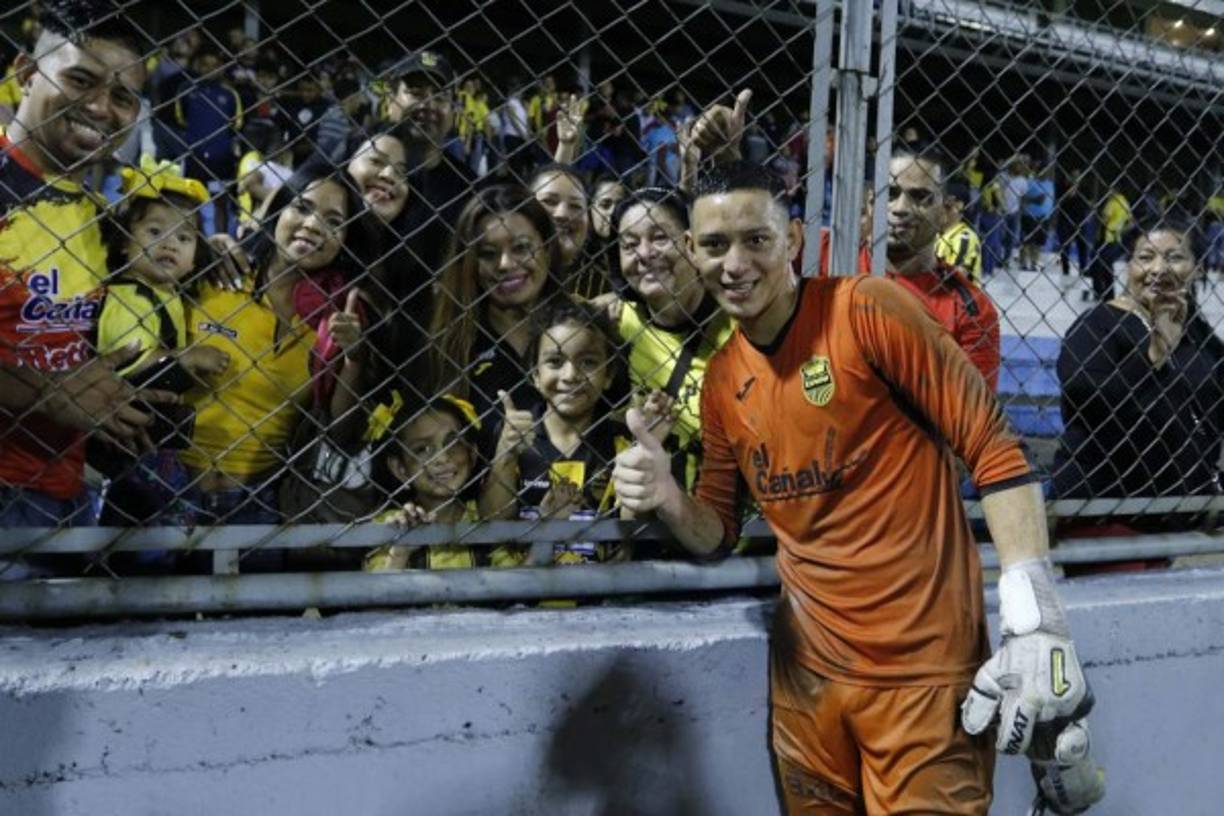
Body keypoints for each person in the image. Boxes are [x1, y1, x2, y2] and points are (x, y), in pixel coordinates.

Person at [612, 161, 1101, 815]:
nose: (735, 264)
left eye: (756, 240)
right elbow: (719, 531)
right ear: (691, 251)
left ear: (792, 239)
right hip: (807, 688)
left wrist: (1036, 621)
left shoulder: (867, 309)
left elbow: (992, 445)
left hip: (921, 678)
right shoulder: (725, 377)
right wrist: (669, 497)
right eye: (714, 245)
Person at [0, 0, 176, 539]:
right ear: (26, 73)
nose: (101, 108)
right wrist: (46, 394)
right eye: (81, 80)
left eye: (123, 97)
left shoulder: (99, 217)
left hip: (66, 493)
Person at [179, 166, 377, 527]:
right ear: (278, 211)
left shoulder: (338, 315)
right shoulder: (219, 271)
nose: (313, 225)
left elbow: (340, 428)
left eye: (333, 221)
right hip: (167, 488)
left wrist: (354, 357)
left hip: (259, 503)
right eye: (302, 207)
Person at [94, 158, 227, 528]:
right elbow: (128, 361)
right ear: (125, 242)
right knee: (161, 512)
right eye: (155, 231)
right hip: (125, 433)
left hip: (152, 433)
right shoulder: (129, 296)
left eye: (184, 238)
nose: (169, 244)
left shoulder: (168, 293)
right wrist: (186, 358)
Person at [1054, 219, 1222, 508]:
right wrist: (1153, 355)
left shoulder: (1197, 332)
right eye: (1145, 257)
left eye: (1174, 258)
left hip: (1183, 505)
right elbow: (1084, 396)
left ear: (1196, 269)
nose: (1158, 269)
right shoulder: (1098, 324)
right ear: (1129, 266)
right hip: (1104, 505)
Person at [604, 187, 735, 496]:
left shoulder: (738, 325)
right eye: (629, 245)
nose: (644, 254)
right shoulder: (615, 324)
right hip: (646, 510)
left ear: (692, 244)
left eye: (660, 237)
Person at [481, 299, 632, 566]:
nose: (570, 375)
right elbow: (492, 523)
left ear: (609, 374)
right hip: (525, 584)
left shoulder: (621, 441)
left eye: (588, 362)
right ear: (534, 374)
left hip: (600, 589)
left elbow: (631, 533)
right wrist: (506, 454)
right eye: (555, 361)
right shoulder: (515, 434)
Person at [427, 184, 568, 427]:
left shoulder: (584, 325)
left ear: (547, 248)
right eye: (488, 253)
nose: (505, 264)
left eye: (521, 248)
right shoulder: (446, 344)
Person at [886, 150, 1001, 389]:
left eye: (920, 197)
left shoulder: (972, 310)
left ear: (945, 211)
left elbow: (973, 408)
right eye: (890, 193)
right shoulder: (832, 265)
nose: (900, 208)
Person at [363, 394, 490, 571]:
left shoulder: (487, 514)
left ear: (472, 454)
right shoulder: (389, 524)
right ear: (400, 469)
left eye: (453, 442)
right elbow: (377, 588)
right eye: (422, 449)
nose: (442, 458)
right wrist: (400, 553)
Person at [383, 49, 474, 273]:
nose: (429, 104)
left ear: (453, 111)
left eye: (440, 97)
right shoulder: (357, 160)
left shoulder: (468, 188)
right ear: (391, 100)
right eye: (416, 93)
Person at [1087, 182, 1131, 301]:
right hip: (1115, 237)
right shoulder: (1125, 202)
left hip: (1105, 237)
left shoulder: (1112, 203)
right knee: (1108, 267)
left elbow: (1104, 219)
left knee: (1097, 265)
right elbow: (1129, 220)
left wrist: (1095, 213)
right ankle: (1109, 294)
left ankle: (1098, 292)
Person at [936, 177, 985, 286]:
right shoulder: (938, 233)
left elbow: (954, 278)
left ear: (960, 208)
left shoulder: (965, 237)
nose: (940, 210)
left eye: (947, 207)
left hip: (957, 295)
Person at [1020, 163, 1055, 271]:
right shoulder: (1030, 183)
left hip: (1044, 217)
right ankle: (1024, 262)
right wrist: (1034, 200)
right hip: (1030, 216)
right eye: (1041, 171)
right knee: (1027, 241)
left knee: (1039, 242)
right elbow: (1021, 198)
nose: (1044, 173)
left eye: (1046, 171)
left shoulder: (1050, 184)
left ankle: (1034, 262)